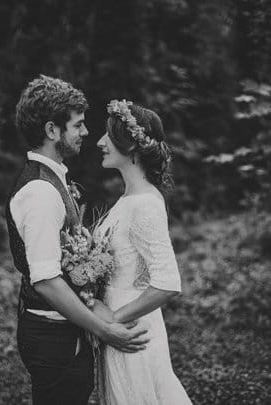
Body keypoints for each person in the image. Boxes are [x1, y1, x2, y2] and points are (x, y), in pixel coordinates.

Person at [6, 76, 150, 404]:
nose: (85, 132)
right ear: (52, 130)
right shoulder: (40, 192)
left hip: (63, 332)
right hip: (54, 338)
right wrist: (103, 329)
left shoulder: (53, 181)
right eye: (78, 125)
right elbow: (45, 280)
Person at [90, 99, 192, 404]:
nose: (100, 142)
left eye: (108, 135)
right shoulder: (127, 200)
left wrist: (112, 322)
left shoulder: (146, 203)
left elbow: (167, 282)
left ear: (131, 147)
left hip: (133, 329)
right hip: (120, 325)